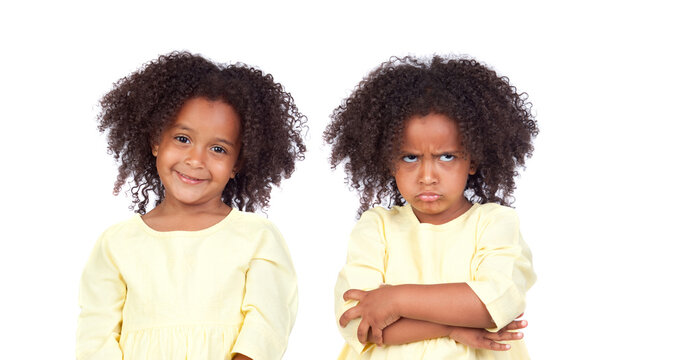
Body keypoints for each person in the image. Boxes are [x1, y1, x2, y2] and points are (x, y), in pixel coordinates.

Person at [76, 51, 306, 360]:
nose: (196, 160)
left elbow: (268, 324)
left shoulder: (257, 238)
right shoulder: (117, 244)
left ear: (238, 162)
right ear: (156, 140)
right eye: (182, 139)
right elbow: (96, 335)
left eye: (217, 148)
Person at [324, 55, 538, 359]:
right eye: (410, 157)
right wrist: (451, 328)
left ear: (473, 159)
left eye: (446, 156)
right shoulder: (377, 228)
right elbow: (359, 323)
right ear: (388, 161)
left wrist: (394, 300)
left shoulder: (496, 224)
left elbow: (492, 304)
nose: (427, 177)